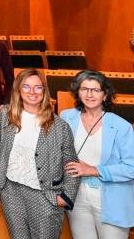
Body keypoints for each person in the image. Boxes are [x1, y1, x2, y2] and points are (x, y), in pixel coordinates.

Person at [0, 69, 79, 239]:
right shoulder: (7, 114)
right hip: (11, 191)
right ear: (18, 90)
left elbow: (71, 164)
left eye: (37, 87)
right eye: (26, 87)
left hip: (43, 195)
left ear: (44, 91)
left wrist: (66, 197)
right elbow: (1, 147)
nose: (32, 92)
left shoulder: (59, 126)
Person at [61, 70, 134, 239]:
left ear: (105, 95)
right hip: (76, 197)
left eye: (96, 90)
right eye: (84, 89)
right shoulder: (66, 117)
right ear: (77, 92)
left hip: (111, 200)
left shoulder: (121, 127)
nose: (89, 94)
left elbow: (131, 167)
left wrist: (93, 170)